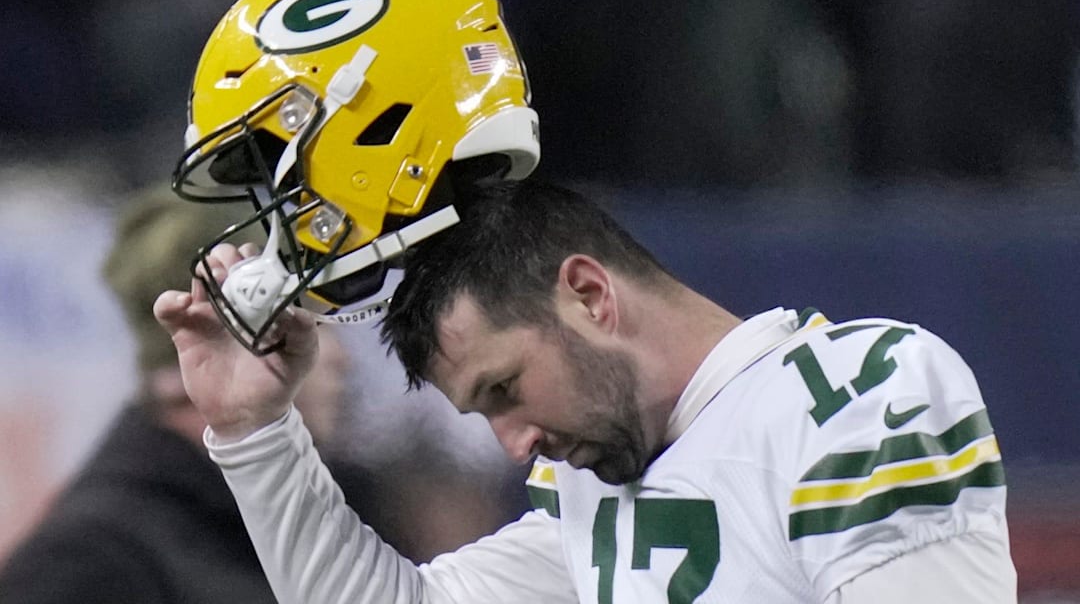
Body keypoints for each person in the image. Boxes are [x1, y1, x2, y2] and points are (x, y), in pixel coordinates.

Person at [154, 179, 1017, 603]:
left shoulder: (853, 394)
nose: (515, 443)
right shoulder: (596, 496)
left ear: (590, 295)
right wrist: (256, 430)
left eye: (505, 388)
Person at [0, 190, 352, 603]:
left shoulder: (303, 517)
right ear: (202, 353)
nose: (342, 359)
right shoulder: (88, 562)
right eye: (303, 323)